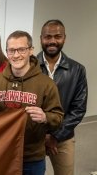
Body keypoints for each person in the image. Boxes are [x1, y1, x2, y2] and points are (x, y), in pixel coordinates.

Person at [0, 30, 64, 175]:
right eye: (11, 50)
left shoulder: (46, 84)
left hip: (32, 157)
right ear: (7, 52)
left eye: (21, 49)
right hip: (2, 153)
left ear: (31, 50)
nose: (16, 55)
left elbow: (58, 118)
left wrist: (45, 117)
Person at [36, 19, 88, 175]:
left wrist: (55, 136)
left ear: (64, 38)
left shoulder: (77, 70)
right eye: (48, 36)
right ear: (41, 39)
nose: (52, 41)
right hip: (33, 137)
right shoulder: (29, 67)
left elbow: (78, 109)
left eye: (57, 36)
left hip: (63, 137)